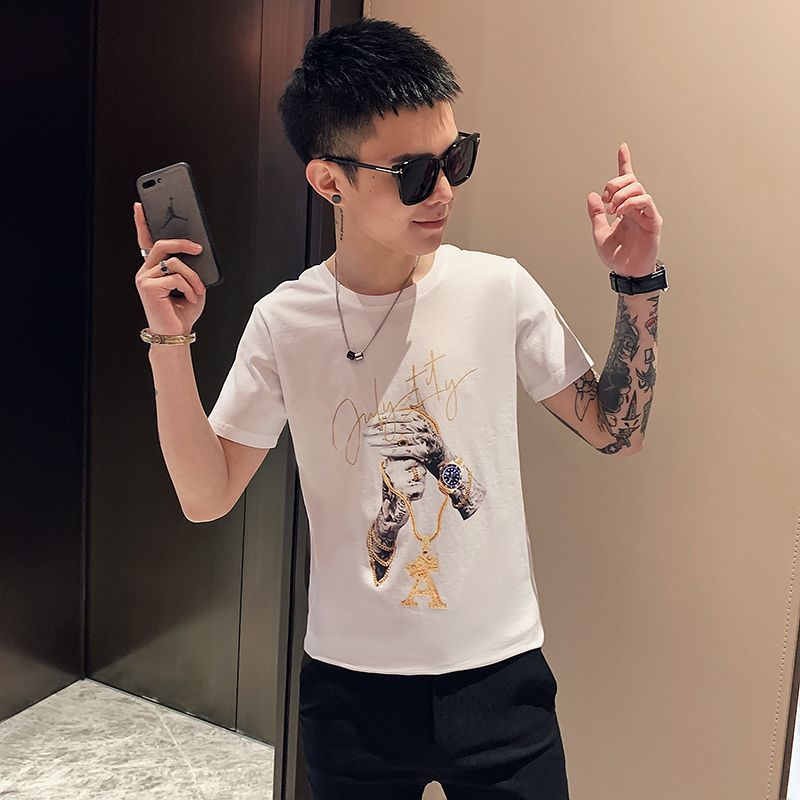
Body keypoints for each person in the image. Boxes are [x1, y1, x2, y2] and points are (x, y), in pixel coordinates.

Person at [134, 17, 666, 800]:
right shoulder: (285, 322)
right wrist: (169, 343)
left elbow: (617, 430)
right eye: (414, 173)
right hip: (352, 697)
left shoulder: (498, 288)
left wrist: (638, 284)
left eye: (456, 158)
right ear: (329, 181)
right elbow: (206, 495)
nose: (443, 190)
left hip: (500, 679)